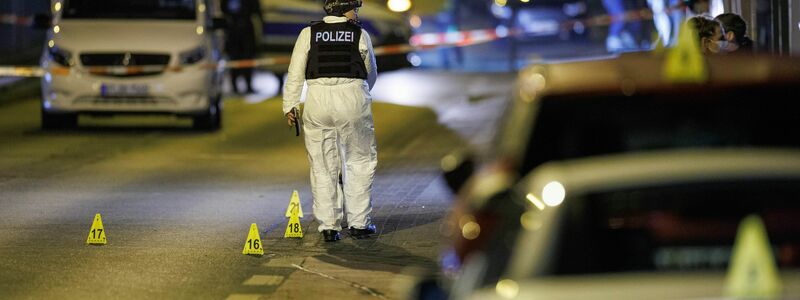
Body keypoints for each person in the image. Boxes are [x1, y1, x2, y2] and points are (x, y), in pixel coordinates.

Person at [283, 0, 378, 242]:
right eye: (353, 7)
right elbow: (371, 71)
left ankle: (329, 226)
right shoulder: (359, 33)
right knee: (359, 160)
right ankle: (359, 223)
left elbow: (295, 72)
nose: (356, 12)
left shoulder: (308, 33)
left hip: (317, 101)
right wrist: (360, 93)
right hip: (351, 96)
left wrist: (291, 106)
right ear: (341, 9)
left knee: (323, 165)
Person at [221, 0, 263, 94]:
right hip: (233, 32)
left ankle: (248, 85)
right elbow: (223, 10)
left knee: (248, 59)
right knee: (234, 59)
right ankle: (235, 86)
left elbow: (257, 11)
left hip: (246, 31)